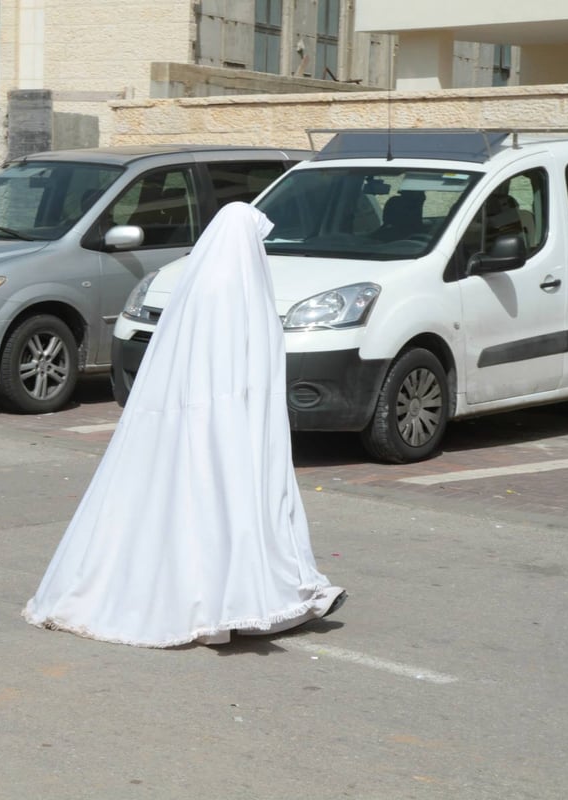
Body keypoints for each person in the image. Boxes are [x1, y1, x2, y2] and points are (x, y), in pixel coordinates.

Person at [23, 202, 346, 647]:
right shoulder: (243, 289)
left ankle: (265, 594)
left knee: (187, 508)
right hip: (229, 421)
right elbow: (251, 366)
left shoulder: (196, 286)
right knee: (237, 508)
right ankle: (241, 600)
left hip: (194, 419)